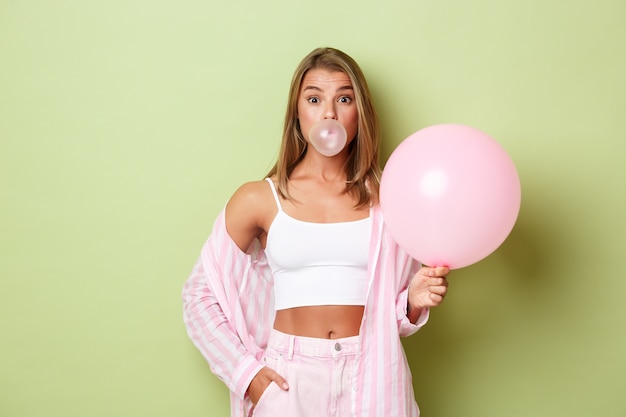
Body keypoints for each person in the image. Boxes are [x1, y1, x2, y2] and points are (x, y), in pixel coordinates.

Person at [182, 47, 450, 417]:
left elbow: (389, 311)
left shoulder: (392, 197)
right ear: (297, 112)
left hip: (373, 373)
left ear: (361, 112)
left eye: (344, 98)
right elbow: (198, 296)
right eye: (314, 98)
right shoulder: (260, 198)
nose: (329, 113)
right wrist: (249, 378)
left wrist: (412, 301)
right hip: (290, 379)